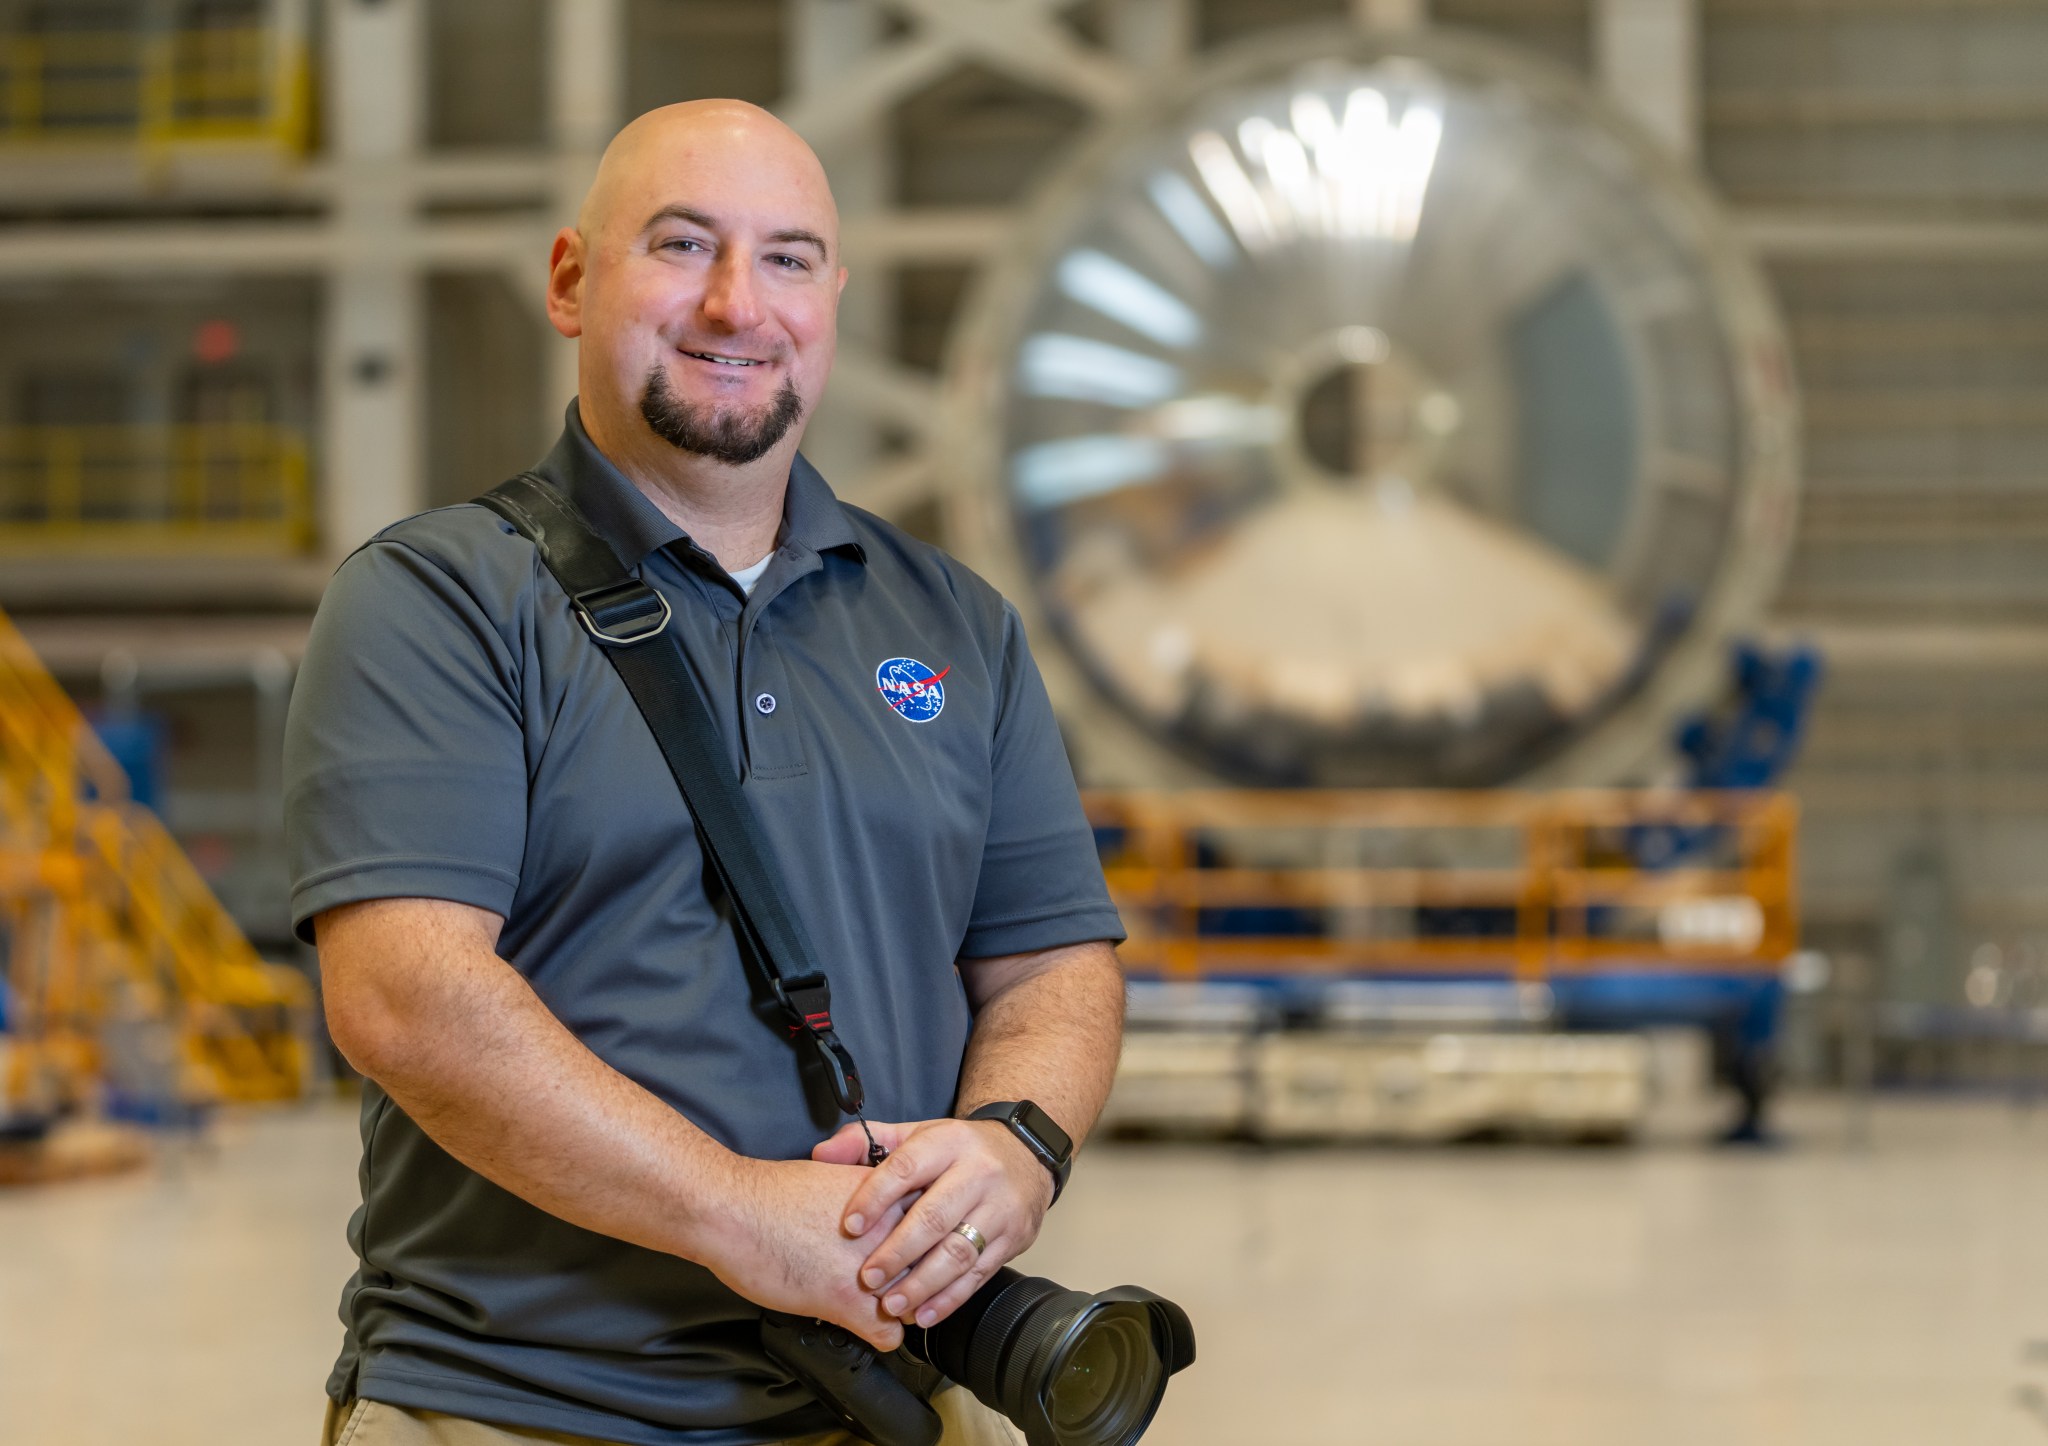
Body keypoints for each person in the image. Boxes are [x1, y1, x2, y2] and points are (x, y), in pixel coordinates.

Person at [284, 100, 1128, 1446]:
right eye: (683, 245)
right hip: (522, 1409)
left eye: (789, 259)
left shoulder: (953, 622)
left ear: (832, 299)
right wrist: (745, 1217)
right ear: (572, 280)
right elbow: (405, 996)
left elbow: (1050, 966)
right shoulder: (435, 599)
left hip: (894, 1404)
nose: (740, 304)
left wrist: (1016, 1145)